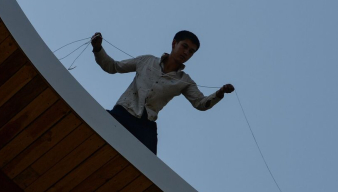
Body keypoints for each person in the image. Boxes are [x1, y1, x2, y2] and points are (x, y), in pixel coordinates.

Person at [91, 31, 235, 154]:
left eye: (191, 51)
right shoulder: (147, 60)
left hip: (146, 125)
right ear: (174, 44)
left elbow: (200, 103)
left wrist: (220, 93)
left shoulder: (184, 80)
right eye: (184, 46)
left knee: (148, 166)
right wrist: (98, 49)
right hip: (123, 112)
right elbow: (113, 66)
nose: (186, 52)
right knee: (96, 130)